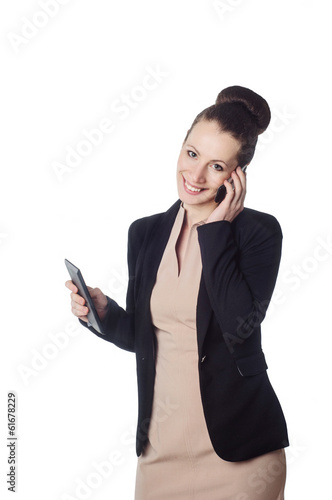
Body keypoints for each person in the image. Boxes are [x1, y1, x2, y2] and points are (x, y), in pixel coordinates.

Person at [65, 85, 289, 499]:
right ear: (181, 147)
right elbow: (144, 337)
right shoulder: (146, 233)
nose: (197, 175)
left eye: (217, 165)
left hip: (240, 458)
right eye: (191, 154)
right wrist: (105, 314)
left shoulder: (259, 234)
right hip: (160, 453)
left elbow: (239, 328)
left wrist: (217, 231)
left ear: (237, 176)